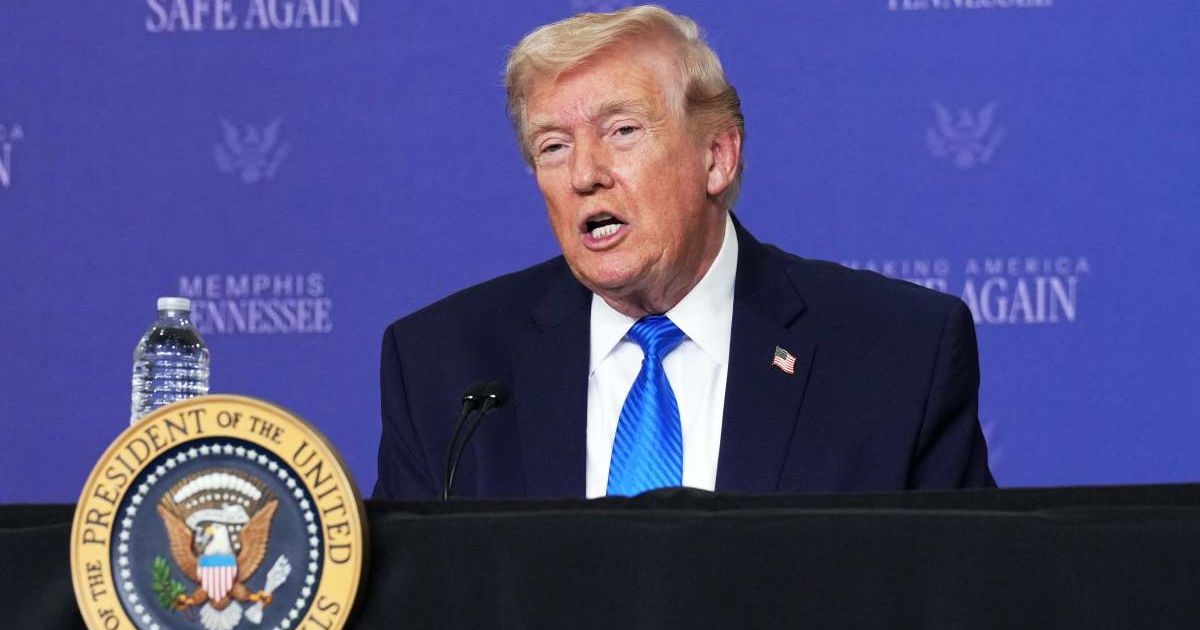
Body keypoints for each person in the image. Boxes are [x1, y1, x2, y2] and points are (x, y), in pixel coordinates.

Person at [374, 5, 993, 500]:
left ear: (716, 157)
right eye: (554, 145)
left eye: (622, 131)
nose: (585, 174)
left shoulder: (896, 353)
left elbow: (959, 597)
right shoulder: (446, 367)